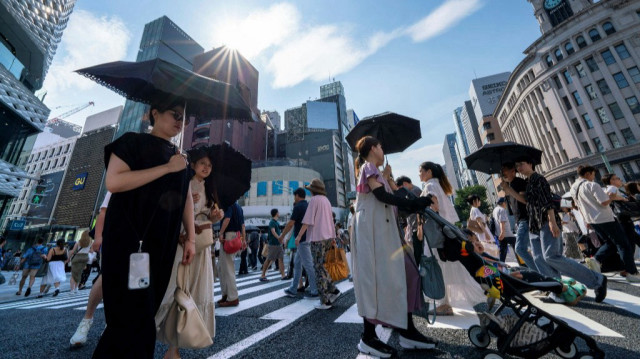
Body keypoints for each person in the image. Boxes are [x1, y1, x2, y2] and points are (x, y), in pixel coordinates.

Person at [93, 99, 195, 359]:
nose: (179, 121)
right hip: (128, 240)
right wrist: (166, 168)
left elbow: (186, 198)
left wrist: (191, 237)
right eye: (175, 114)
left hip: (162, 244)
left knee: (142, 313)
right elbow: (114, 182)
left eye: (183, 117)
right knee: (131, 318)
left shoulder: (181, 157)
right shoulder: (132, 142)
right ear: (155, 112)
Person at [352, 136, 436, 358]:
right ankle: (368, 336)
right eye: (380, 145)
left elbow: (393, 200)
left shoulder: (378, 173)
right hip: (372, 233)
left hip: (387, 234)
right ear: (372, 149)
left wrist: (390, 180)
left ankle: (407, 330)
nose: (383, 148)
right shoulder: (368, 167)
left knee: (409, 274)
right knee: (374, 281)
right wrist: (412, 202)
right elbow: (381, 197)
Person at [156, 149, 223, 359]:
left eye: (209, 165)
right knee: (175, 288)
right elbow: (168, 209)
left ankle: (173, 349)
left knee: (190, 292)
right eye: (202, 163)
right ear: (192, 165)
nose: (206, 167)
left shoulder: (211, 191)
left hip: (201, 247)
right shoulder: (183, 182)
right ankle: (152, 335)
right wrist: (185, 202)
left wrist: (215, 217)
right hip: (182, 243)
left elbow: (206, 220)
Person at [516, 158, 607, 303]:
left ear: (530, 163)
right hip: (534, 225)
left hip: (546, 222)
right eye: (517, 166)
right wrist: (508, 190)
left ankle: (597, 280)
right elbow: (529, 203)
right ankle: (556, 290)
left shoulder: (539, 179)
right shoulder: (528, 183)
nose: (519, 167)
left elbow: (547, 201)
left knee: (552, 256)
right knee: (539, 258)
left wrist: (552, 221)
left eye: (521, 163)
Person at [419, 161, 484, 317]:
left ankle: (444, 304)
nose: (419, 174)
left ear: (429, 172)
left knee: (438, 268)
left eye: (421, 171)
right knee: (452, 268)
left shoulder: (430, 186)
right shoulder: (438, 185)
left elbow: (434, 208)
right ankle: (483, 286)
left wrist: (422, 211)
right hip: (446, 234)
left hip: (436, 235)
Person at [570, 166, 639, 282]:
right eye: (592, 174)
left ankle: (596, 259)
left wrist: (586, 220)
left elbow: (579, 206)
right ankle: (632, 273)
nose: (593, 177)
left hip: (592, 220)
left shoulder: (574, 187)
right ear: (588, 174)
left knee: (611, 243)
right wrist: (612, 198)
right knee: (623, 244)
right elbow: (603, 202)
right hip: (605, 218)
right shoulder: (592, 185)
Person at [70, 191, 111, 347]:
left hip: (139, 237)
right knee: (105, 277)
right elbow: (104, 210)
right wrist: (99, 237)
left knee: (129, 283)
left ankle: (112, 324)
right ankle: (87, 319)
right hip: (114, 234)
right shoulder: (124, 170)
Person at [296, 179, 341, 310]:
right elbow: (331, 221)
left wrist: (299, 236)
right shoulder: (326, 201)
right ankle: (333, 290)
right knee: (323, 267)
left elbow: (308, 221)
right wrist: (333, 237)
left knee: (318, 268)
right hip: (327, 237)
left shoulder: (314, 201)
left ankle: (325, 301)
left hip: (317, 238)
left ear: (313, 190)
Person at [280, 188, 318, 298]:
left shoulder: (298, 207)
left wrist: (282, 236)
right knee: (297, 264)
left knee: (308, 265)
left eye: (294, 196)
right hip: (307, 238)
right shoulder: (308, 206)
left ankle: (315, 290)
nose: (294, 198)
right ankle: (293, 289)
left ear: (297, 195)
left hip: (302, 240)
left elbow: (291, 223)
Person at [500, 163, 539, 271]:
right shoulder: (510, 185)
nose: (503, 173)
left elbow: (524, 200)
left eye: (505, 170)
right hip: (520, 221)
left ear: (513, 170)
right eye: (502, 171)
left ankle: (538, 272)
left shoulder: (519, 182)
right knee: (534, 250)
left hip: (526, 219)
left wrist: (509, 190)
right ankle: (541, 272)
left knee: (520, 248)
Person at [218, 201, 246, 307]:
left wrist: (220, 233)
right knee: (222, 267)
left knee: (228, 268)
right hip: (236, 236)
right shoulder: (239, 207)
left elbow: (227, 219)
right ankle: (226, 294)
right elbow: (243, 226)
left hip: (228, 237)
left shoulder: (228, 205)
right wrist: (243, 239)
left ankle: (232, 297)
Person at [396, 175, 423, 265]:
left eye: (401, 188)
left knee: (418, 256)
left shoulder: (415, 191)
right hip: (414, 227)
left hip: (417, 227)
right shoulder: (414, 191)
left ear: (405, 184)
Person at [260, 209, 286, 281]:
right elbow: (273, 232)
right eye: (278, 212)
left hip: (278, 244)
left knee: (281, 259)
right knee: (268, 259)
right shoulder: (272, 222)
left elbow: (277, 232)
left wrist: (281, 239)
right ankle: (263, 275)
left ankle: (283, 275)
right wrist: (279, 238)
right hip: (273, 244)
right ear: (276, 213)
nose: (279, 213)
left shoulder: (276, 222)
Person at [492, 197, 517, 262]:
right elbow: (502, 222)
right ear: (503, 203)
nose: (506, 204)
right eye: (505, 203)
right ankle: (523, 263)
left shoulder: (495, 210)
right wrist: (502, 232)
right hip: (506, 234)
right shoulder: (502, 210)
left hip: (499, 234)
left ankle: (501, 264)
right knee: (518, 247)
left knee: (503, 252)